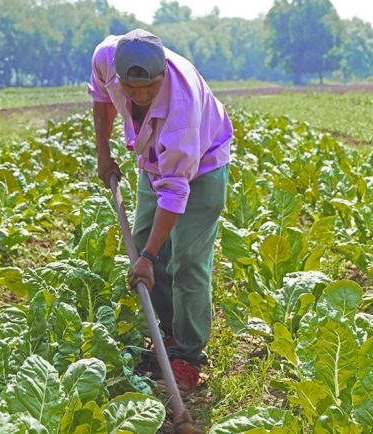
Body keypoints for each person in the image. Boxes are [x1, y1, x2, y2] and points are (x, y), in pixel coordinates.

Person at [87, 28, 232, 392]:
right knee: (141, 242)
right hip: (152, 159)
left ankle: (188, 355)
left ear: (162, 74)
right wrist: (103, 152)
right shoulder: (107, 56)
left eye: (148, 89)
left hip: (201, 168)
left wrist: (150, 257)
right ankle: (168, 334)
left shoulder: (180, 113)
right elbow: (102, 95)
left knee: (186, 260)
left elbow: (174, 192)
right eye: (132, 90)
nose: (139, 97)